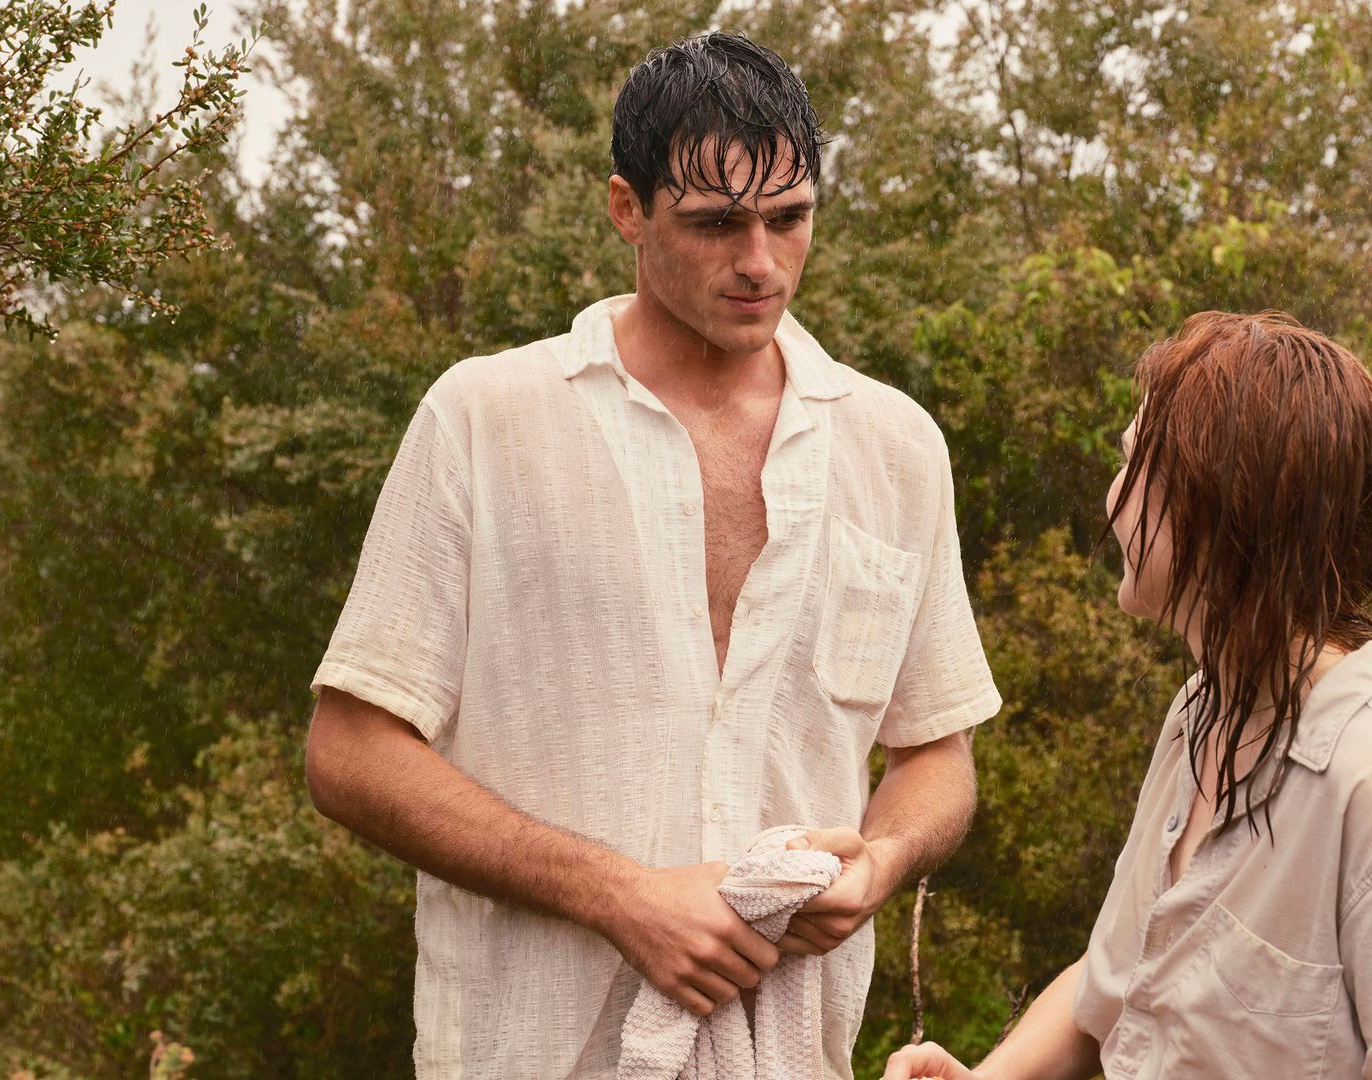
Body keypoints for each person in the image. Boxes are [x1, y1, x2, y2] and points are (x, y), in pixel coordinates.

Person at [303, 31, 1001, 1080]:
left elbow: (936, 755)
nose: (760, 262)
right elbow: (349, 752)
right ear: (628, 209)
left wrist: (884, 862)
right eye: (716, 224)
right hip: (527, 1055)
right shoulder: (486, 420)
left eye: (789, 219)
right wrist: (619, 895)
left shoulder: (895, 447)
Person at [883, 312, 1372, 1080]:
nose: (1112, 497)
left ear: (1218, 509)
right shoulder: (1197, 719)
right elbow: (1118, 978)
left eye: (1131, 467)